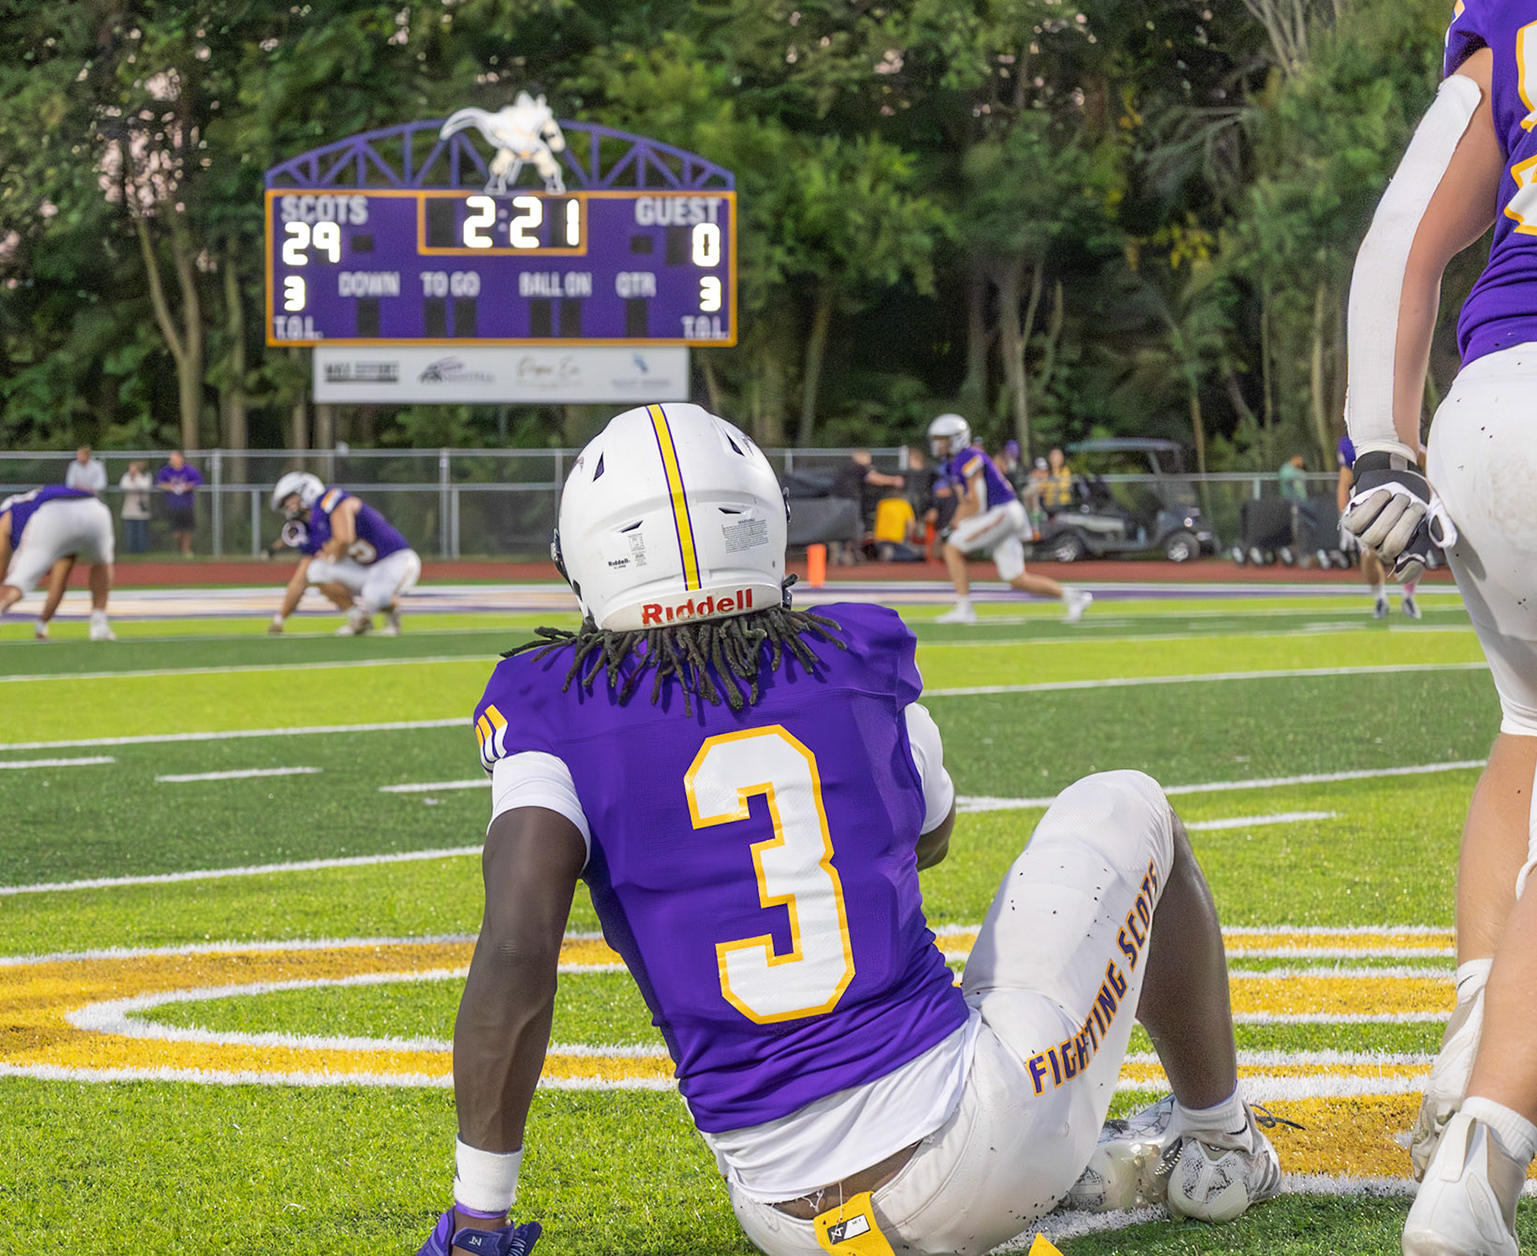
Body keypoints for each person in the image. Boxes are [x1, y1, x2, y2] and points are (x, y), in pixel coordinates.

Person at [414, 403, 1282, 1256]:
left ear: (586, 558)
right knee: (1128, 801)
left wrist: (481, 1217)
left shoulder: (545, 704)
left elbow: (519, 943)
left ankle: (479, 1222)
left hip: (784, 1216)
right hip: (974, 1147)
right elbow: (930, 836)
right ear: (762, 526)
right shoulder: (851, 654)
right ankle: (1223, 1146)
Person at [1341, 0, 1537, 1249]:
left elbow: (1405, 229)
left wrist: (1376, 443)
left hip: (1493, 405)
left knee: (1528, 724)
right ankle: (1487, 1151)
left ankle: (1473, 1042)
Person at [930, 414, 1091, 624]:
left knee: (952, 548)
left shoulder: (968, 456)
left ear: (955, 438)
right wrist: (955, 524)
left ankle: (964, 609)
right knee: (1016, 578)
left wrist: (951, 528)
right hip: (1004, 513)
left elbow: (976, 504)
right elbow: (967, 501)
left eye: (942, 439)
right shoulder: (954, 463)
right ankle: (1075, 597)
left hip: (1002, 512)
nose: (937, 444)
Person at [268, 472, 421, 637]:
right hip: (367, 568)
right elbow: (301, 579)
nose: (289, 506)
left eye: (290, 498)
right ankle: (358, 618)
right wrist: (279, 618)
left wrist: (334, 553)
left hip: (396, 559)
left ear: (305, 490)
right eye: (285, 503)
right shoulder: (315, 528)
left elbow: (345, 538)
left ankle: (392, 608)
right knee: (315, 570)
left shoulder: (330, 499)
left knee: (374, 597)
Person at [0, 485, 116, 643]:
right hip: (95, 509)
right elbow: (59, 584)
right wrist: (42, 622)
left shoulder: (4, 518)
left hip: (52, 514)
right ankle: (99, 624)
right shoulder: (29, 504)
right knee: (102, 563)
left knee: (17, 583)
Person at [1337, 436, 1417, 620]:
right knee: (1369, 555)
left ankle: (1408, 597)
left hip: (1399, 495)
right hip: (1367, 503)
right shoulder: (1350, 441)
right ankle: (1380, 598)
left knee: (1408, 551)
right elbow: (1344, 481)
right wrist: (1343, 514)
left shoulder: (1396, 432)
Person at [158, 450, 203, 557]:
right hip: (173, 505)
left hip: (187, 504)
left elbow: (198, 480)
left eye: (174, 458)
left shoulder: (189, 470)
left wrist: (186, 487)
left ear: (181, 459)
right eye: (171, 459)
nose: (172, 460)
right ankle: (179, 549)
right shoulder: (166, 471)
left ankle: (186, 550)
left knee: (187, 529)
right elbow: (160, 483)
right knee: (176, 532)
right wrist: (171, 487)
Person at [119, 459, 153, 554]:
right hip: (129, 508)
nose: (132, 470)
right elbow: (124, 486)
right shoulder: (126, 476)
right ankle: (131, 550)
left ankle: (142, 550)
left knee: (141, 531)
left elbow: (144, 487)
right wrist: (133, 483)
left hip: (142, 507)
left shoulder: (146, 476)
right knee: (130, 531)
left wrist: (136, 478)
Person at [1043, 447, 1076, 511]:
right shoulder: (1048, 471)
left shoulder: (1064, 470)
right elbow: (1041, 486)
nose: (1054, 459)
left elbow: (1064, 485)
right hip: (1048, 503)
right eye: (1052, 457)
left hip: (1061, 503)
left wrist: (1048, 484)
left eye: (1056, 457)